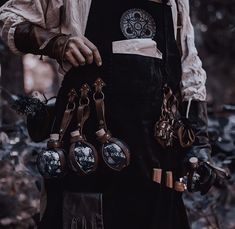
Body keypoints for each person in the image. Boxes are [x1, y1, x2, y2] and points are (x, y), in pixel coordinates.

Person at [0, 0, 217, 228]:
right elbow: (10, 18)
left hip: (157, 152)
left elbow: (189, 64)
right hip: (88, 150)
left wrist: (199, 140)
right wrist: (56, 43)